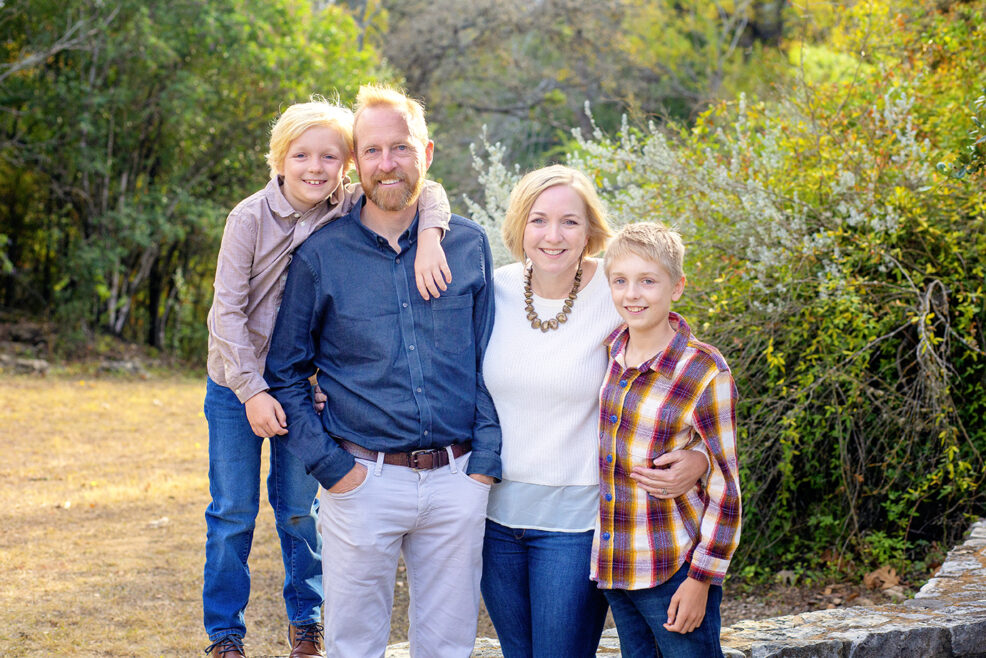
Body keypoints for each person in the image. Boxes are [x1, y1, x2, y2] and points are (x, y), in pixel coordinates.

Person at [203, 97, 452, 658]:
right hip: (236, 383)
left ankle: (306, 622)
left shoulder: (347, 205)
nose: (315, 168)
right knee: (233, 511)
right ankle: (225, 634)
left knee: (298, 508)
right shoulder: (248, 218)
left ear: (347, 165)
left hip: (300, 385)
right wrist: (252, 391)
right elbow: (226, 314)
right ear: (279, 160)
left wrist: (432, 236)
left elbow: (427, 189)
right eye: (301, 156)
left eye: (329, 157)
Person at [264, 83, 501, 658]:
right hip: (361, 480)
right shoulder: (321, 256)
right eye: (372, 150)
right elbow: (285, 371)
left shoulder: (467, 245)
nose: (387, 163)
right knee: (354, 645)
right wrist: (332, 468)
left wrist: (483, 466)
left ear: (427, 153)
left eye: (401, 147)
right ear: (355, 161)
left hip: (457, 479)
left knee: (447, 647)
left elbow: (489, 360)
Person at [480, 165, 711, 657]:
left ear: (590, 230)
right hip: (493, 519)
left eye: (570, 221)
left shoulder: (617, 289)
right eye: (539, 220)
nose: (553, 236)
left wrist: (701, 457)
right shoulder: (493, 289)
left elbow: (682, 379)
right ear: (520, 225)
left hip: (578, 520)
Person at [592, 222, 742, 657]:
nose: (632, 294)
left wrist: (702, 579)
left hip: (673, 566)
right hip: (617, 563)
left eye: (648, 281)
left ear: (677, 287)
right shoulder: (610, 353)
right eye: (620, 281)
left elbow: (726, 485)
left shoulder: (704, 370)